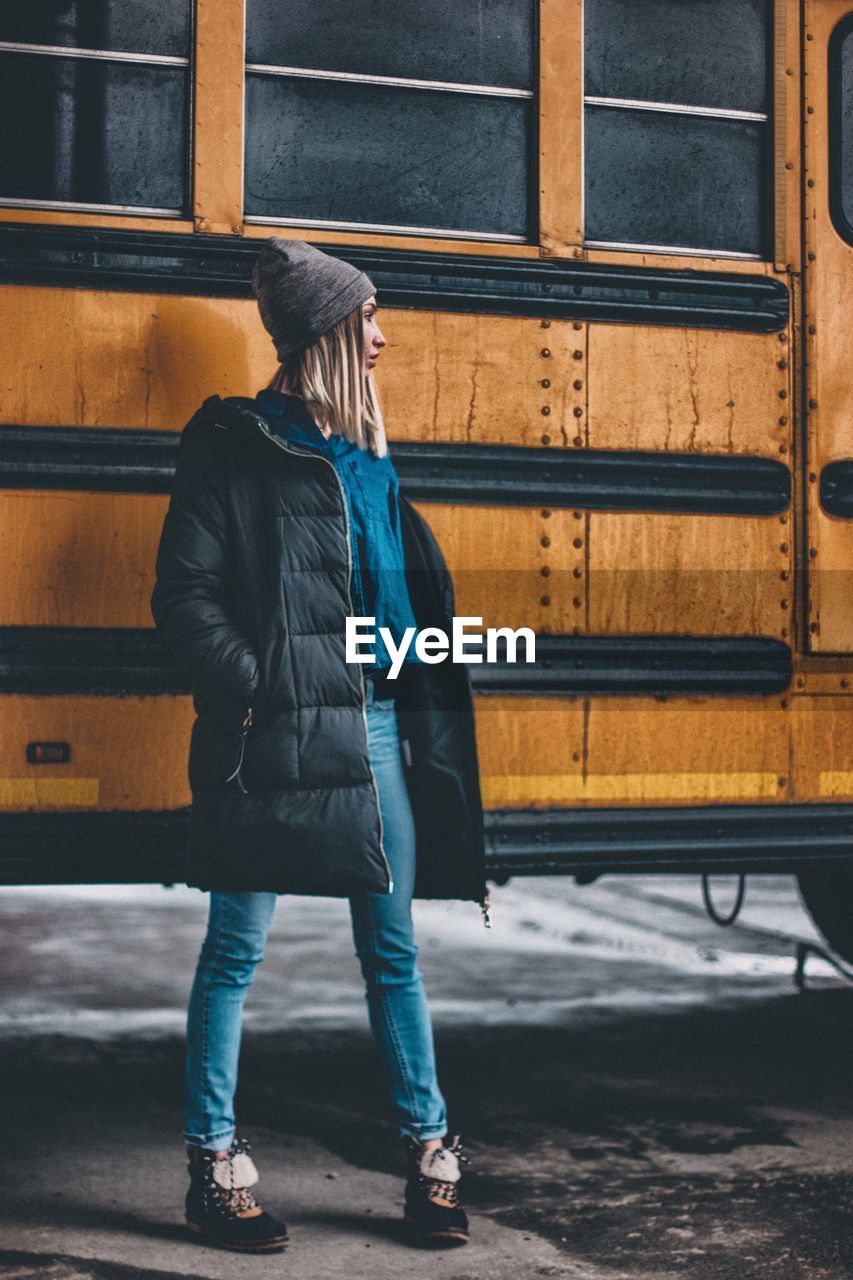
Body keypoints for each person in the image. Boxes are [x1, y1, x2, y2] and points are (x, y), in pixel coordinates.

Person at [150, 238, 487, 1253]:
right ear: (327, 337)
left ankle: (432, 1151)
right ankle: (213, 1164)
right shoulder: (234, 445)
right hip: (271, 735)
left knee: (391, 952)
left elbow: (388, 606)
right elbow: (184, 595)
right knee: (235, 951)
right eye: (368, 320)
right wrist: (263, 689)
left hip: (376, 728)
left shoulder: (373, 460)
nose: (383, 337)